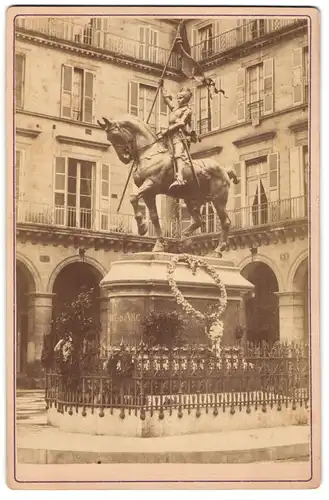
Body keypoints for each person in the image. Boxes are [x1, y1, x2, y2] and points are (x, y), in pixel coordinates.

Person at [160, 83, 195, 194]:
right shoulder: (175, 109)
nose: (178, 100)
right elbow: (167, 100)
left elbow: (181, 123)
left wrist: (167, 130)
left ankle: (180, 177)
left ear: (185, 99)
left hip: (179, 136)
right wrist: (161, 88)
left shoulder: (187, 111)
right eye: (178, 97)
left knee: (178, 154)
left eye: (180, 98)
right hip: (169, 136)